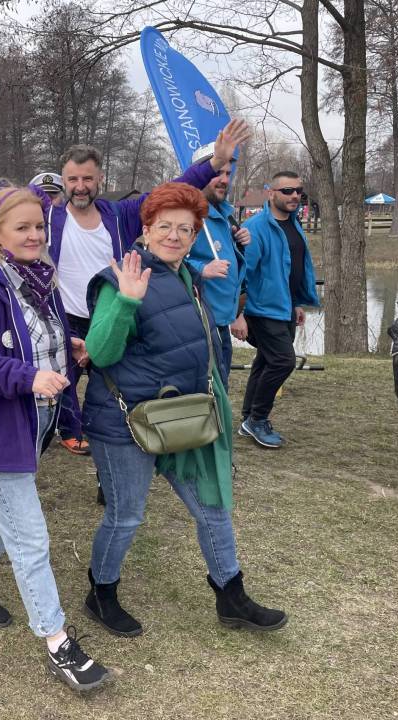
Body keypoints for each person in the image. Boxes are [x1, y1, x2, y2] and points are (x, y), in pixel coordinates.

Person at [80, 182, 287, 638]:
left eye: (185, 229)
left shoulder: (187, 276)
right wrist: (128, 300)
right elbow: (100, 352)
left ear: (195, 236)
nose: (174, 236)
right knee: (126, 515)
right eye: (164, 227)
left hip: (183, 418)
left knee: (212, 505)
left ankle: (231, 596)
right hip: (126, 423)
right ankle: (101, 593)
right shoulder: (120, 279)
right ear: (146, 229)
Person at [0, 185, 109, 693]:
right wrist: (28, 377)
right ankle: (58, 643)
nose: (35, 235)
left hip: (34, 425)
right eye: (22, 227)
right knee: (30, 538)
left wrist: (67, 345)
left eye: (39, 226)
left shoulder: (43, 280)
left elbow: (38, 342)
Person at [46, 120, 249, 457]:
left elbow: (170, 191)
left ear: (100, 180)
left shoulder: (119, 215)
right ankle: (68, 429)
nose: (80, 187)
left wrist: (214, 163)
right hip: (65, 317)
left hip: (110, 312)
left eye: (87, 179)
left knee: (109, 384)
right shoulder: (50, 217)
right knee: (62, 384)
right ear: (64, 181)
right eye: (73, 179)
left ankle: (108, 448)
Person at [239, 171, 319, 448]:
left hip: (285, 306)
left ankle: (248, 418)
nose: (294, 195)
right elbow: (243, 273)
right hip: (262, 309)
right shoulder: (256, 227)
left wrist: (295, 303)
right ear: (270, 193)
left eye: (298, 191)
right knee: (283, 361)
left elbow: (291, 269)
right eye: (287, 191)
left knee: (266, 360)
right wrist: (237, 313)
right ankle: (258, 419)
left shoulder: (294, 224)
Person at [184, 145, 251, 376]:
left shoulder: (224, 213)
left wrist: (239, 243)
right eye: (217, 173)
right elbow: (166, 260)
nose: (224, 180)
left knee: (221, 387)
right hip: (199, 324)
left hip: (222, 321)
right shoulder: (188, 214)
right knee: (207, 388)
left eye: (228, 173)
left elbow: (232, 270)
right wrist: (202, 269)